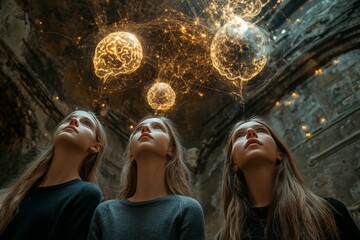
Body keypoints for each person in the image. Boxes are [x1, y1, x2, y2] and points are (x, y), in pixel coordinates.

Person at [217, 117, 360, 240]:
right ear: (234, 163)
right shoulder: (227, 236)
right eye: (239, 136)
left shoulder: (330, 212)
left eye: (261, 131)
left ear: (278, 153)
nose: (250, 133)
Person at [88, 116, 205, 240]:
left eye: (157, 127)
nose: (145, 128)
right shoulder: (105, 213)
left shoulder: (186, 210)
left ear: (171, 149)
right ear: (132, 153)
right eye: (138, 130)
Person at [0, 110, 107, 240]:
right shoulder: (17, 192)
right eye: (68, 120)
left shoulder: (87, 194)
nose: (73, 121)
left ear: (96, 147)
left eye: (86, 124)